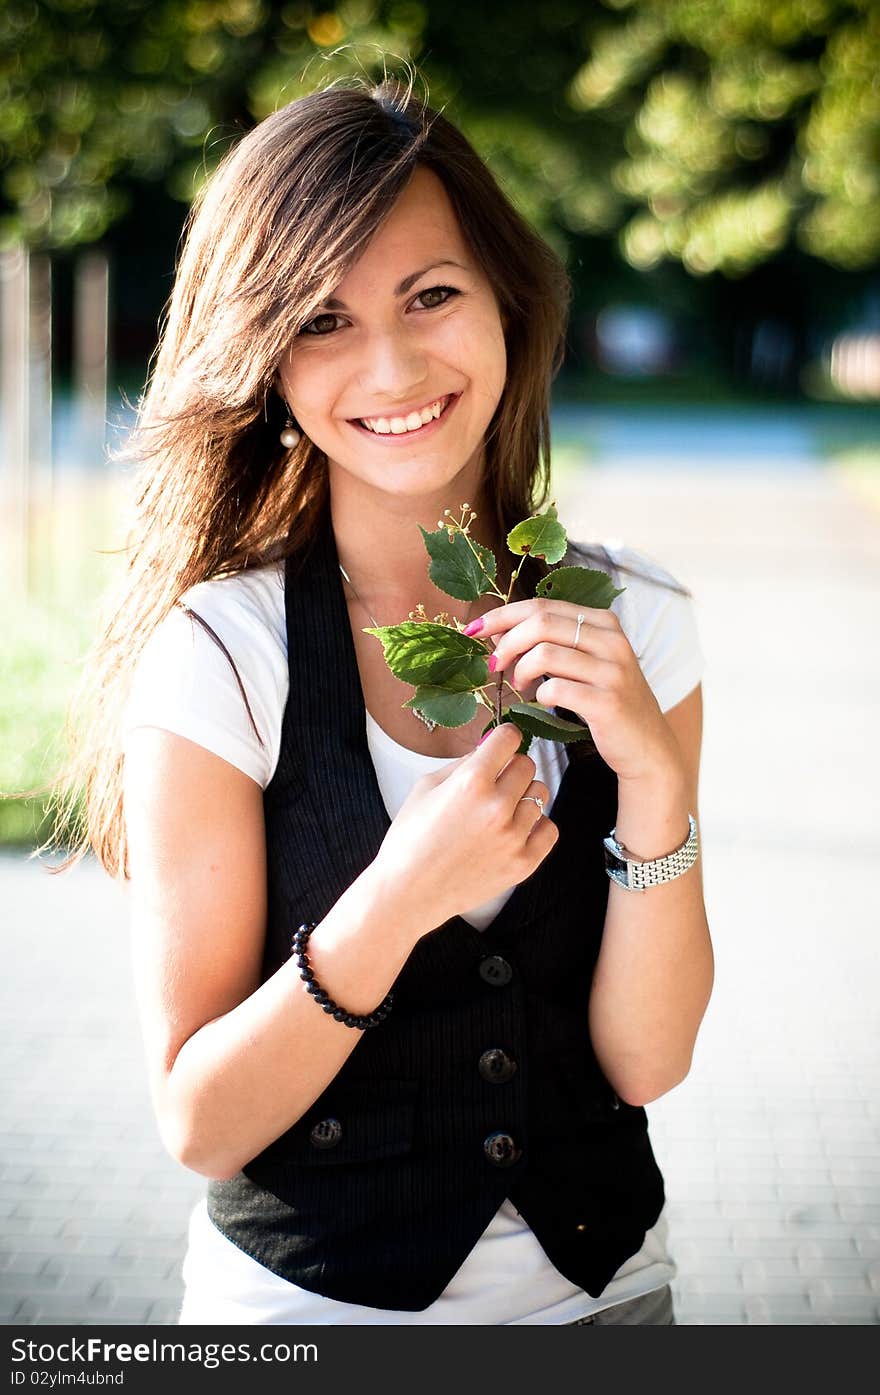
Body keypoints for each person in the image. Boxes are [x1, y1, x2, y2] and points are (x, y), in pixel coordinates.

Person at [62, 72, 714, 1325]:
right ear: (264, 361)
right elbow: (197, 1121)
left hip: (613, 1304)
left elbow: (648, 1060)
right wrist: (397, 899)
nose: (395, 363)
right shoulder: (220, 653)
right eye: (321, 321)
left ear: (507, 304)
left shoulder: (641, 621)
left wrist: (655, 785)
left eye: (432, 295)